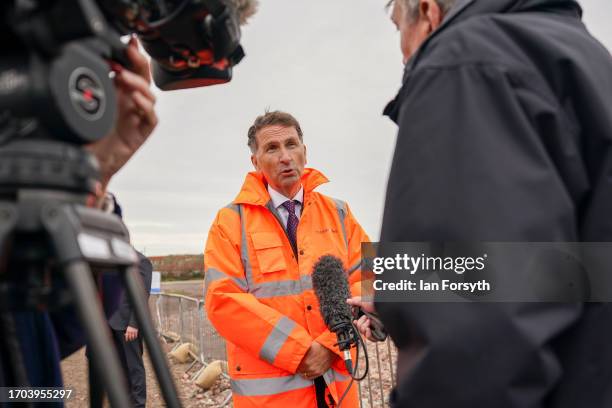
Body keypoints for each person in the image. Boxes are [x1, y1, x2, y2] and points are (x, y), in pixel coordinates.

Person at [350, 0, 612, 407]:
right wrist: (398, 291)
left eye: (399, 27)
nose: (402, 51)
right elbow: (567, 267)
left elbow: (470, 343)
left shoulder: (463, 64)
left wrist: (423, 298)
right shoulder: (585, 58)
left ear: (428, 12)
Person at [203, 111, 370, 408]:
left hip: (338, 389)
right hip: (272, 397)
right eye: (272, 148)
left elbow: (368, 280)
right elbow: (223, 300)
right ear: (255, 162)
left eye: (291, 145)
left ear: (304, 152)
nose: (285, 156)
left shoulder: (340, 213)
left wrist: (332, 346)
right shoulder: (230, 222)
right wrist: (302, 351)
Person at [103, 194, 153, 408]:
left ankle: (138, 404)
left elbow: (141, 295)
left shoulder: (141, 262)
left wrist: (134, 323)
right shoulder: (111, 262)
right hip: (111, 323)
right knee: (117, 365)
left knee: (134, 367)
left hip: (128, 325)